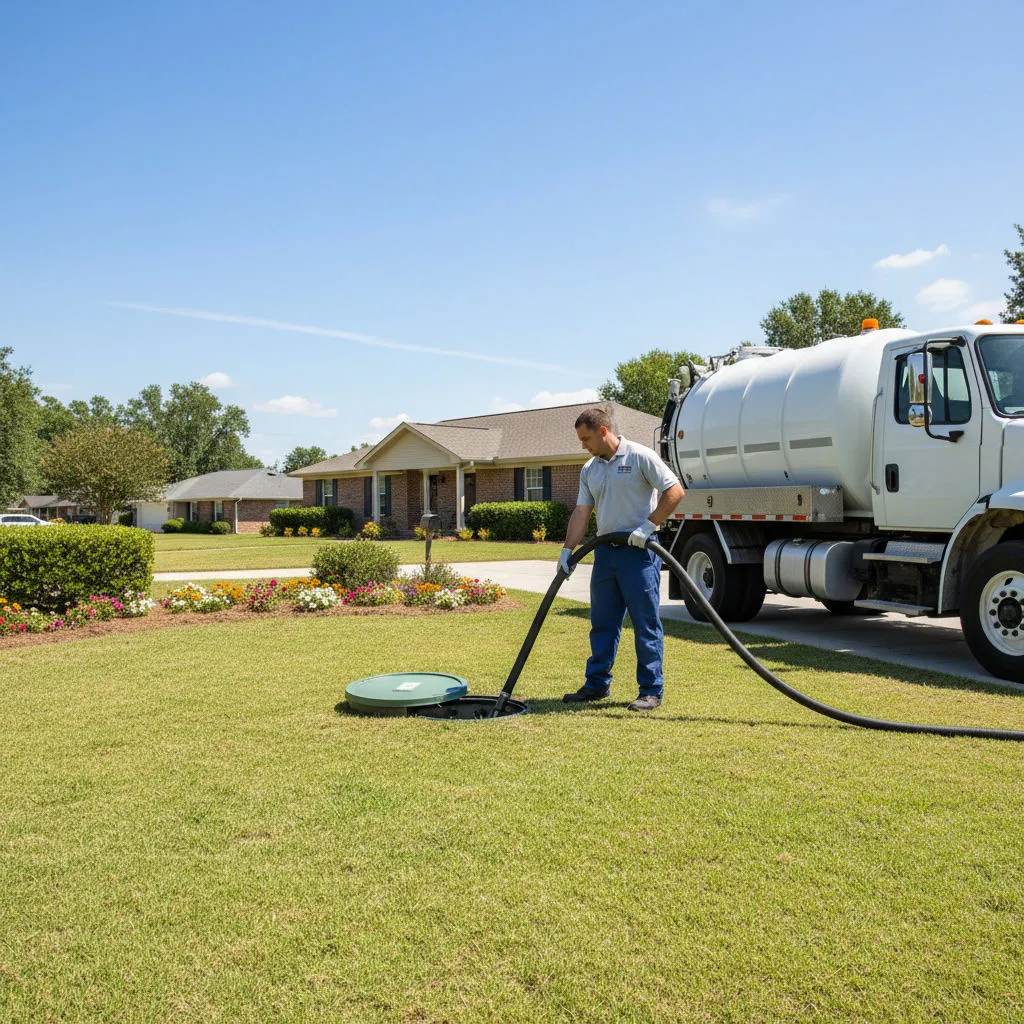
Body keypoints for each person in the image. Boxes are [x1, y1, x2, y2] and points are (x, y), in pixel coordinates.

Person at [559, 407, 685, 711]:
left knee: (645, 624)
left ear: (603, 431)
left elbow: (675, 491)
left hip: (639, 553)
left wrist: (648, 525)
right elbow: (582, 512)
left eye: (586, 438)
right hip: (605, 554)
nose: (583, 445)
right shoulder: (591, 468)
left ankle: (651, 690)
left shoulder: (640, 456)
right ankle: (597, 685)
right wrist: (567, 550)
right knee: (602, 622)